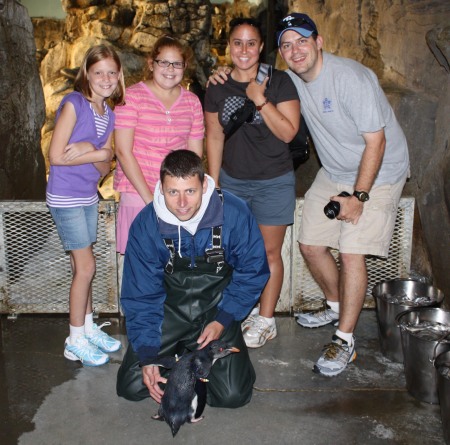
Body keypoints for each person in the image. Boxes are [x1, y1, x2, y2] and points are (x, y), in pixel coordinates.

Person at [275, 13, 410, 376]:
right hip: (335, 170)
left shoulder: (351, 78)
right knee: (311, 245)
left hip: (379, 172)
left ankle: (345, 340)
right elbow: (252, 78)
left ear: (319, 42)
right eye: (286, 45)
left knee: (351, 252)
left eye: (302, 40)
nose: (295, 50)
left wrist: (359, 197)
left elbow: (376, 143)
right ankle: (336, 304)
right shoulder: (291, 79)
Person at [116, 150, 270, 408]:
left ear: (205, 185)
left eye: (190, 191)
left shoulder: (234, 213)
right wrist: (147, 355)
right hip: (169, 312)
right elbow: (141, 294)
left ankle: (205, 355)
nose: (182, 203)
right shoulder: (145, 224)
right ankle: (181, 356)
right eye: (173, 192)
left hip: (217, 310)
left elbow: (253, 271)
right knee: (131, 386)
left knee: (233, 396)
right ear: (161, 189)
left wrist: (223, 320)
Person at [204, 17, 300, 349]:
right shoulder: (216, 84)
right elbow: (214, 136)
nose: (244, 50)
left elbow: (288, 132)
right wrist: (214, 185)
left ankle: (267, 319)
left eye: (251, 43)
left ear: (261, 47)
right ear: (228, 46)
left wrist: (259, 99)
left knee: (270, 252)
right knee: (235, 252)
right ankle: (240, 309)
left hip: (274, 181)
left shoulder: (281, 82)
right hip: (233, 181)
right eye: (237, 43)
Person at [46, 45, 126, 366]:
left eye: (111, 72)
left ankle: (88, 328)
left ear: (119, 75)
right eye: (98, 72)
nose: (105, 78)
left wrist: (88, 150)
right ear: (86, 74)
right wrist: (99, 153)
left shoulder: (109, 113)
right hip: (65, 197)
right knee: (87, 267)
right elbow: (55, 157)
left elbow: (105, 164)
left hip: (88, 196)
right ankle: (74, 339)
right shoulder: (74, 104)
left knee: (83, 267)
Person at [114, 35, 204, 260]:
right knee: (139, 266)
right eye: (163, 62)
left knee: (175, 268)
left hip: (177, 197)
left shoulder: (192, 102)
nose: (170, 69)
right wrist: (150, 200)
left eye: (177, 63)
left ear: (185, 66)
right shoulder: (131, 98)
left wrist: (186, 196)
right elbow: (124, 151)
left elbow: (194, 156)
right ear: (151, 63)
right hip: (138, 193)